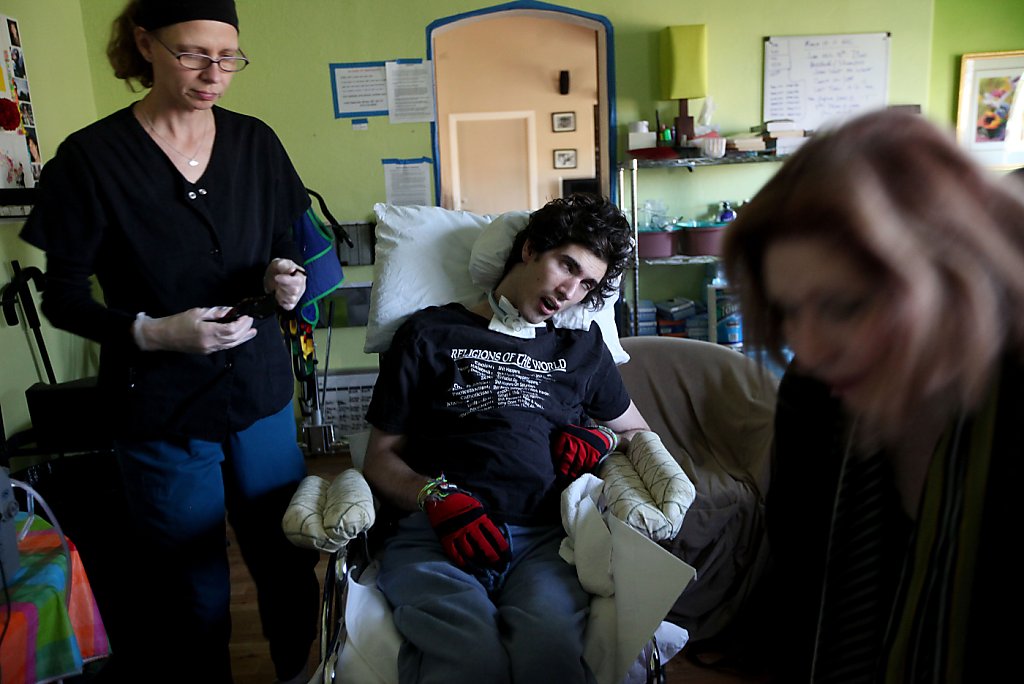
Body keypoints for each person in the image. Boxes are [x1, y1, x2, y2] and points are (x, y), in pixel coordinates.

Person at [19, 1, 319, 681]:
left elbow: (286, 245)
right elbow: (63, 298)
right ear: (145, 43)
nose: (215, 74)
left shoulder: (256, 143)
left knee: (285, 556)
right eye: (193, 55)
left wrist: (285, 276)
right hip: (158, 405)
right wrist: (152, 332)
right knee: (191, 584)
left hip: (260, 392)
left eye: (228, 58)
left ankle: (298, 672)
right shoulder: (91, 160)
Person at [721, 109, 1023, 682]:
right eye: (789, 311)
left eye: (846, 306)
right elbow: (803, 585)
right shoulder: (813, 398)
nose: (808, 350)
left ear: (954, 278)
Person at [363, 193, 650, 684]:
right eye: (567, 265)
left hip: (543, 544)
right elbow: (380, 457)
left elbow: (638, 433)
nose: (569, 291)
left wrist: (601, 439)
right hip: (435, 538)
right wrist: (434, 498)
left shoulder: (582, 349)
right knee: (471, 662)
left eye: (587, 284)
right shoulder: (430, 333)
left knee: (550, 658)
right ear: (530, 249)